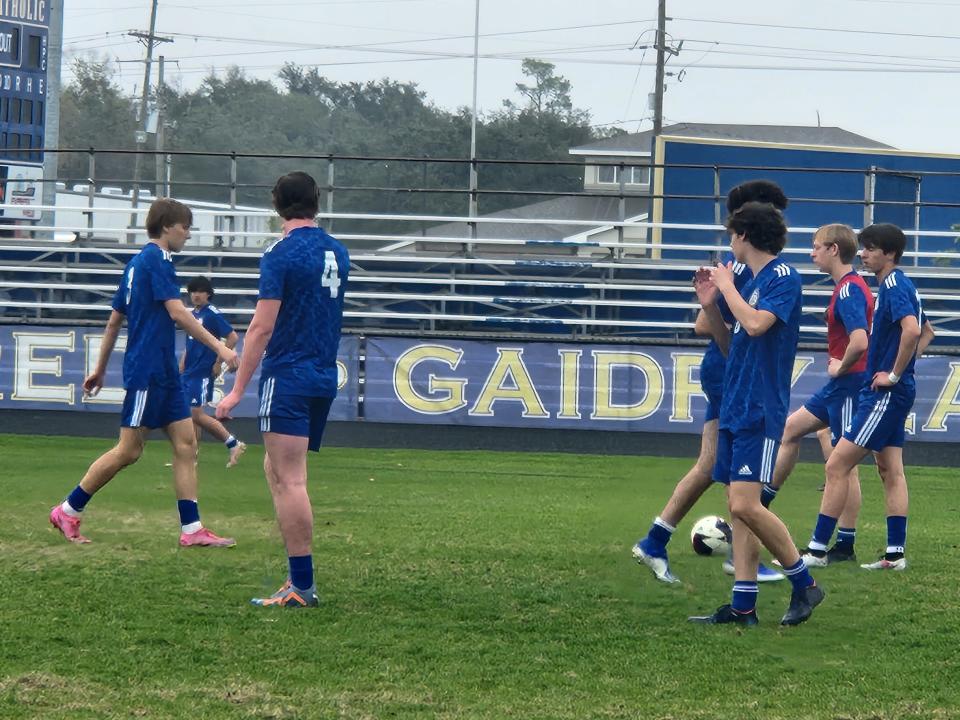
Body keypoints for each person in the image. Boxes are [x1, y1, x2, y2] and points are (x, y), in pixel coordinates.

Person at [49, 198, 239, 547]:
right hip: (149, 372)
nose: (188, 233)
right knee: (129, 451)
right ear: (167, 227)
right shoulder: (159, 262)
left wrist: (100, 369)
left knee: (185, 444)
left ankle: (192, 530)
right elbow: (179, 314)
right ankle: (68, 510)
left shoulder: (135, 265)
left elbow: (113, 321)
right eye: (185, 227)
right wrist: (221, 347)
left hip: (163, 373)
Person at [632, 180, 788, 584]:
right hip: (732, 375)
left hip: (730, 372)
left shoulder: (752, 269)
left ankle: (656, 540)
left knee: (711, 466)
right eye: (773, 212)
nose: (780, 221)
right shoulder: (741, 269)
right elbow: (707, 322)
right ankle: (745, 562)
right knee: (736, 476)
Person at [217, 171, 349, 608]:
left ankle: (302, 586)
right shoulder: (338, 250)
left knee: (290, 480)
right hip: (322, 373)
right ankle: (298, 582)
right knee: (279, 473)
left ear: (277, 205)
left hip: (289, 374)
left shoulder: (280, 252)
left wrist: (236, 390)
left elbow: (261, 327)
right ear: (316, 202)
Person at [689, 201, 823, 626]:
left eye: (732, 234)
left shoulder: (782, 276)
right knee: (737, 505)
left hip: (760, 406)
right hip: (736, 401)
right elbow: (733, 345)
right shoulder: (750, 281)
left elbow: (757, 325)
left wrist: (727, 287)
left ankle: (804, 584)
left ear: (744, 235)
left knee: (746, 505)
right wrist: (711, 304)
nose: (730, 242)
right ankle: (743, 607)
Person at [815, 223, 934, 572]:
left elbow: (913, 331)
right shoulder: (900, 284)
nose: (863, 254)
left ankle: (817, 549)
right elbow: (927, 331)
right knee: (889, 469)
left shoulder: (894, 283)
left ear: (889, 254)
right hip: (894, 392)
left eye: (870, 248)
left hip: (885, 394)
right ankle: (895, 555)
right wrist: (903, 369)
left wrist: (894, 374)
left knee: (837, 464)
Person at [764, 224, 872, 565]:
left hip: (850, 384)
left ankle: (825, 547)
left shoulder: (848, 290)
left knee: (842, 466)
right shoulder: (846, 287)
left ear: (834, 250)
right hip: (840, 387)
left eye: (816, 247)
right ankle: (759, 505)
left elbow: (860, 341)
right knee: (791, 430)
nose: (811, 253)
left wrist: (840, 367)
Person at [180, 276, 246, 467]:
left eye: (200, 291)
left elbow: (232, 337)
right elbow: (191, 340)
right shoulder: (192, 314)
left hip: (202, 371)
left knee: (196, 414)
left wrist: (218, 362)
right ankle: (191, 456)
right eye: (193, 291)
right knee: (191, 415)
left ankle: (233, 443)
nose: (196, 295)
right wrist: (183, 361)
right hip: (190, 370)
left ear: (208, 293)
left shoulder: (212, 314)